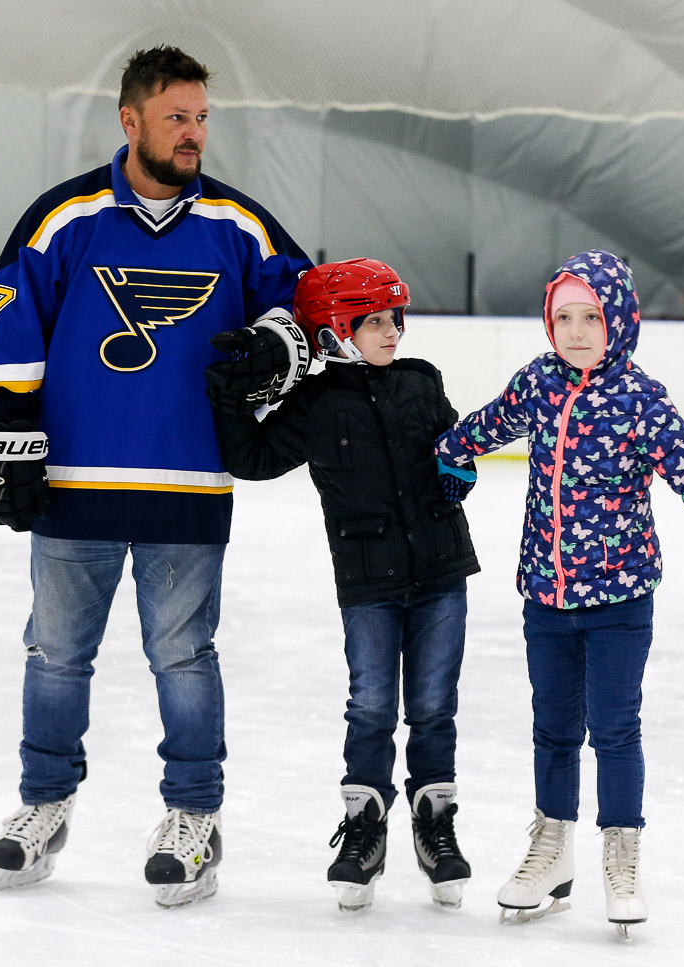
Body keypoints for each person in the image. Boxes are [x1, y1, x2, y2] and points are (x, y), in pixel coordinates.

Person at [0, 45, 312, 906]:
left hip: (188, 486)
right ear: (130, 121)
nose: (194, 134)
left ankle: (194, 818)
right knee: (55, 655)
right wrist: (2, 436)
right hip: (73, 484)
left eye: (202, 119)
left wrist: (279, 343)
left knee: (184, 658)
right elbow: (9, 321)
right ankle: (43, 805)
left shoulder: (239, 225)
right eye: (176, 118)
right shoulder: (65, 219)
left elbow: (305, 305)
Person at [434, 249, 684, 937]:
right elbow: (486, 424)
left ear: (618, 319)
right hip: (546, 596)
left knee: (616, 729)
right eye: (563, 317)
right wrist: (455, 453)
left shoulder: (641, 399)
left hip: (621, 600)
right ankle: (551, 847)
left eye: (590, 317)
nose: (575, 331)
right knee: (553, 728)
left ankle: (622, 855)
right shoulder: (539, 382)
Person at [206, 258, 481, 912]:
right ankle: (365, 828)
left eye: (395, 319)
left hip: (442, 571)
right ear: (335, 329)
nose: (392, 332)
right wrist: (230, 396)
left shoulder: (421, 380)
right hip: (367, 581)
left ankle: (435, 825)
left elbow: (454, 442)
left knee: (434, 705)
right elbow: (253, 458)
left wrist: (460, 466)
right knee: (372, 706)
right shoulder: (316, 401)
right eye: (374, 321)